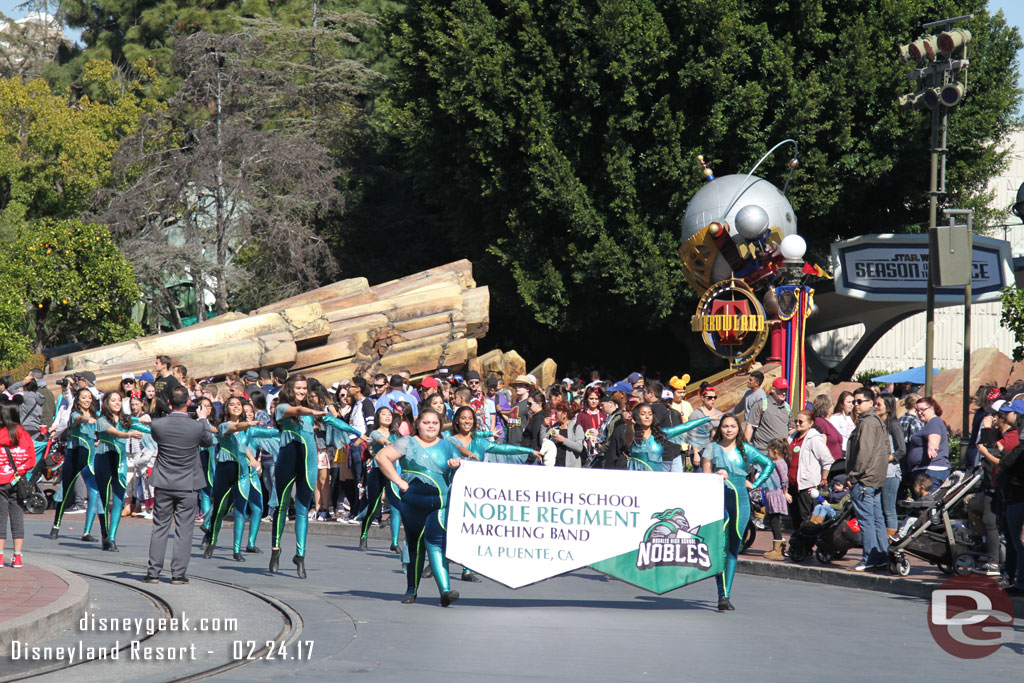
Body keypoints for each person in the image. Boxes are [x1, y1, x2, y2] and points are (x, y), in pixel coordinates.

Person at [270, 374, 361, 578]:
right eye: (298, 388)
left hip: (309, 462)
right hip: (287, 460)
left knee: (303, 509)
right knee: (283, 506)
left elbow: (334, 421)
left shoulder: (312, 412)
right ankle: (275, 550)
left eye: (304, 388)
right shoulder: (282, 407)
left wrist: (358, 433)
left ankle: (300, 556)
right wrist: (312, 411)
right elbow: (297, 410)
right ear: (289, 388)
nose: (301, 391)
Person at [377, 409, 464, 606]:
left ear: (440, 425)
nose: (431, 426)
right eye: (427, 423)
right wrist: (399, 482)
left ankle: (445, 591)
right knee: (415, 546)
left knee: (437, 543)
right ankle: (411, 590)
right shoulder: (408, 442)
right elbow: (382, 457)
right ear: (418, 424)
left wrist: (456, 464)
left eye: (435, 423)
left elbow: (463, 468)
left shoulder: (448, 446)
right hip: (413, 502)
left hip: (440, 502)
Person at [701, 414, 774, 610]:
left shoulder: (745, 449)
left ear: (738, 429)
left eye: (733, 426)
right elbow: (704, 477)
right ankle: (721, 595)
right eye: (725, 426)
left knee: (734, 547)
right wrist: (716, 475)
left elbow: (769, 464)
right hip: (719, 501)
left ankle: (726, 594)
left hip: (741, 501)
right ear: (720, 429)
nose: (729, 429)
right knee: (722, 546)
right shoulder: (711, 449)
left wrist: (754, 483)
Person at [144, 386, 214, 583]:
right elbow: (208, 441)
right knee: (184, 529)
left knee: (160, 527)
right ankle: (178, 574)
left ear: (170, 403)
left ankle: (153, 572)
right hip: (188, 483)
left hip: (164, 482)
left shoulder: (158, 424)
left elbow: (158, 439)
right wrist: (202, 419)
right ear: (189, 403)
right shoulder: (197, 426)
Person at [204, 396, 278, 561]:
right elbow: (233, 427)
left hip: (243, 475)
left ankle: (237, 550)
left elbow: (270, 432)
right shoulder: (223, 426)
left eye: (238, 404)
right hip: (224, 473)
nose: (236, 407)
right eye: (232, 404)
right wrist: (248, 424)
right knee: (219, 511)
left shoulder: (250, 430)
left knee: (240, 511)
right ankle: (212, 541)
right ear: (227, 408)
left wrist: (288, 427)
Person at [93, 391, 146, 551]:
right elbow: (114, 433)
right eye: (113, 400)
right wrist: (129, 434)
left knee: (118, 499)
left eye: (118, 400)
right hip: (104, 459)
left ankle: (112, 537)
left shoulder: (126, 420)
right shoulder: (102, 420)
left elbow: (143, 426)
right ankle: (105, 533)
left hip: (120, 463)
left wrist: (157, 427)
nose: (117, 403)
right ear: (106, 403)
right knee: (104, 499)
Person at [49, 387, 103, 541]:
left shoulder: (97, 415)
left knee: (94, 492)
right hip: (75, 456)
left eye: (89, 397)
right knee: (66, 491)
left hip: (90, 458)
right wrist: (86, 419)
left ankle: (87, 531)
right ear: (78, 399)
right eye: (83, 397)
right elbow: (77, 420)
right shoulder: (74, 414)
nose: (87, 400)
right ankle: (56, 525)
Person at [845, 387, 890, 571]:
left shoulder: (867, 422)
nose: (855, 405)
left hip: (865, 479)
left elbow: (864, 452)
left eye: (859, 401)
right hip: (875, 478)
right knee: (877, 518)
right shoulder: (877, 420)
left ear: (870, 403)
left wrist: (854, 475)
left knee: (867, 520)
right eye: (854, 401)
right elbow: (886, 449)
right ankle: (881, 554)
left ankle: (870, 557)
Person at [360, 407, 403, 553]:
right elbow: (379, 438)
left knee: (396, 506)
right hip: (378, 470)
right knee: (373, 506)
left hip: (392, 473)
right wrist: (386, 442)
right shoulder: (374, 432)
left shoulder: (395, 435)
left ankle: (395, 542)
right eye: (383, 414)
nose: (387, 417)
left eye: (389, 414)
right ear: (378, 417)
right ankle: (364, 535)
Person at [0, 395, 36, 569]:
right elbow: (31, 459)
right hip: (18, 481)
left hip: (0, 482)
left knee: (0, 518)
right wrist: (19, 471)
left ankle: (0, 557)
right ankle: (17, 557)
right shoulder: (25, 435)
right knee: (17, 516)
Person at [787, 410, 834, 530]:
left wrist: (823, 478)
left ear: (810, 423)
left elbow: (827, 460)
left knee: (806, 519)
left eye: (801, 421)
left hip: (806, 486)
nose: (797, 424)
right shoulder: (792, 437)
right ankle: (797, 547)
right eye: (796, 421)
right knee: (795, 519)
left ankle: (806, 546)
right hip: (791, 485)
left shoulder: (814, 438)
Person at [625, 403, 708, 471]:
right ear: (637, 417)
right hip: (637, 478)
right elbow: (629, 435)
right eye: (643, 414)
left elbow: (685, 427)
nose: (647, 417)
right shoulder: (633, 435)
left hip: (656, 477)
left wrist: (707, 418)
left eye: (650, 414)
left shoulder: (660, 433)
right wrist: (629, 426)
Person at [875, 394, 906, 537]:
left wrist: (886, 458)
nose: (875, 406)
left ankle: (891, 539)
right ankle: (880, 538)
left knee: (888, 508)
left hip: (890, 472)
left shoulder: (893, 424)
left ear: (888, 407)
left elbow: (901, 450)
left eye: (879, 404)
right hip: (876, 472)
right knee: (877, 508)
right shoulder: (876, 423)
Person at [906, 397, 950, 494]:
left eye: (922, 409)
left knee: (927, 504)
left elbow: (934, 437)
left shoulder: (934, 422)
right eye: (917, 410)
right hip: (926, 471)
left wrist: (932, 446)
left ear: (931, 408)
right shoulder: (929, 423)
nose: (919, 413)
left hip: (931, 472)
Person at [761, 439, 792, 560]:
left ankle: (778, 548)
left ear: (774, 451)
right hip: (771, 493)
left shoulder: (779, 462)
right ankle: (778, 545)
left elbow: (784, 478)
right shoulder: (776, 462)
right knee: (772, 520)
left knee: (775, 520)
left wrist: (785, 491)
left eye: (769, 451)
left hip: (776, 493)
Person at [748, 378, 792, 452]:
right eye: (781, 390)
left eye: (785, 390)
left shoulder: (787, 407)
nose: (784, 393)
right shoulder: (761, 404)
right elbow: (750, 426)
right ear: (773, 390)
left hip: (781, 454)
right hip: (764, 452)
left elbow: (791, 429)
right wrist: (748, 448)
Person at [685, 384, 723, 469]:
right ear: (702, 398)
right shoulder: (696, 414)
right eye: (709, 397)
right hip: (700, 452)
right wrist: (695, 454)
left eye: (714, 397)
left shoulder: (718, 413)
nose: (712, 400)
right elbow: (692, 434)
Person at [549, 399, 585, 467]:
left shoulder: (577, 428)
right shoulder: (555, 426)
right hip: (554, 465)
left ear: (564, 414)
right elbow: (544, 441)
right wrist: (544, 426)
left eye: (558, 411)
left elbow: (579, 447)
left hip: (570, 467)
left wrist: (563, 440)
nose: (555, 413)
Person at [504, 376, 535, 446]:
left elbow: (532, 425)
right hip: (510, 444)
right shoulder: (515, 405)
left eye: (520, 385)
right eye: (516, 385)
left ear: (528, 388)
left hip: (521, 445)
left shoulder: (529, 404)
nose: (517, 387)